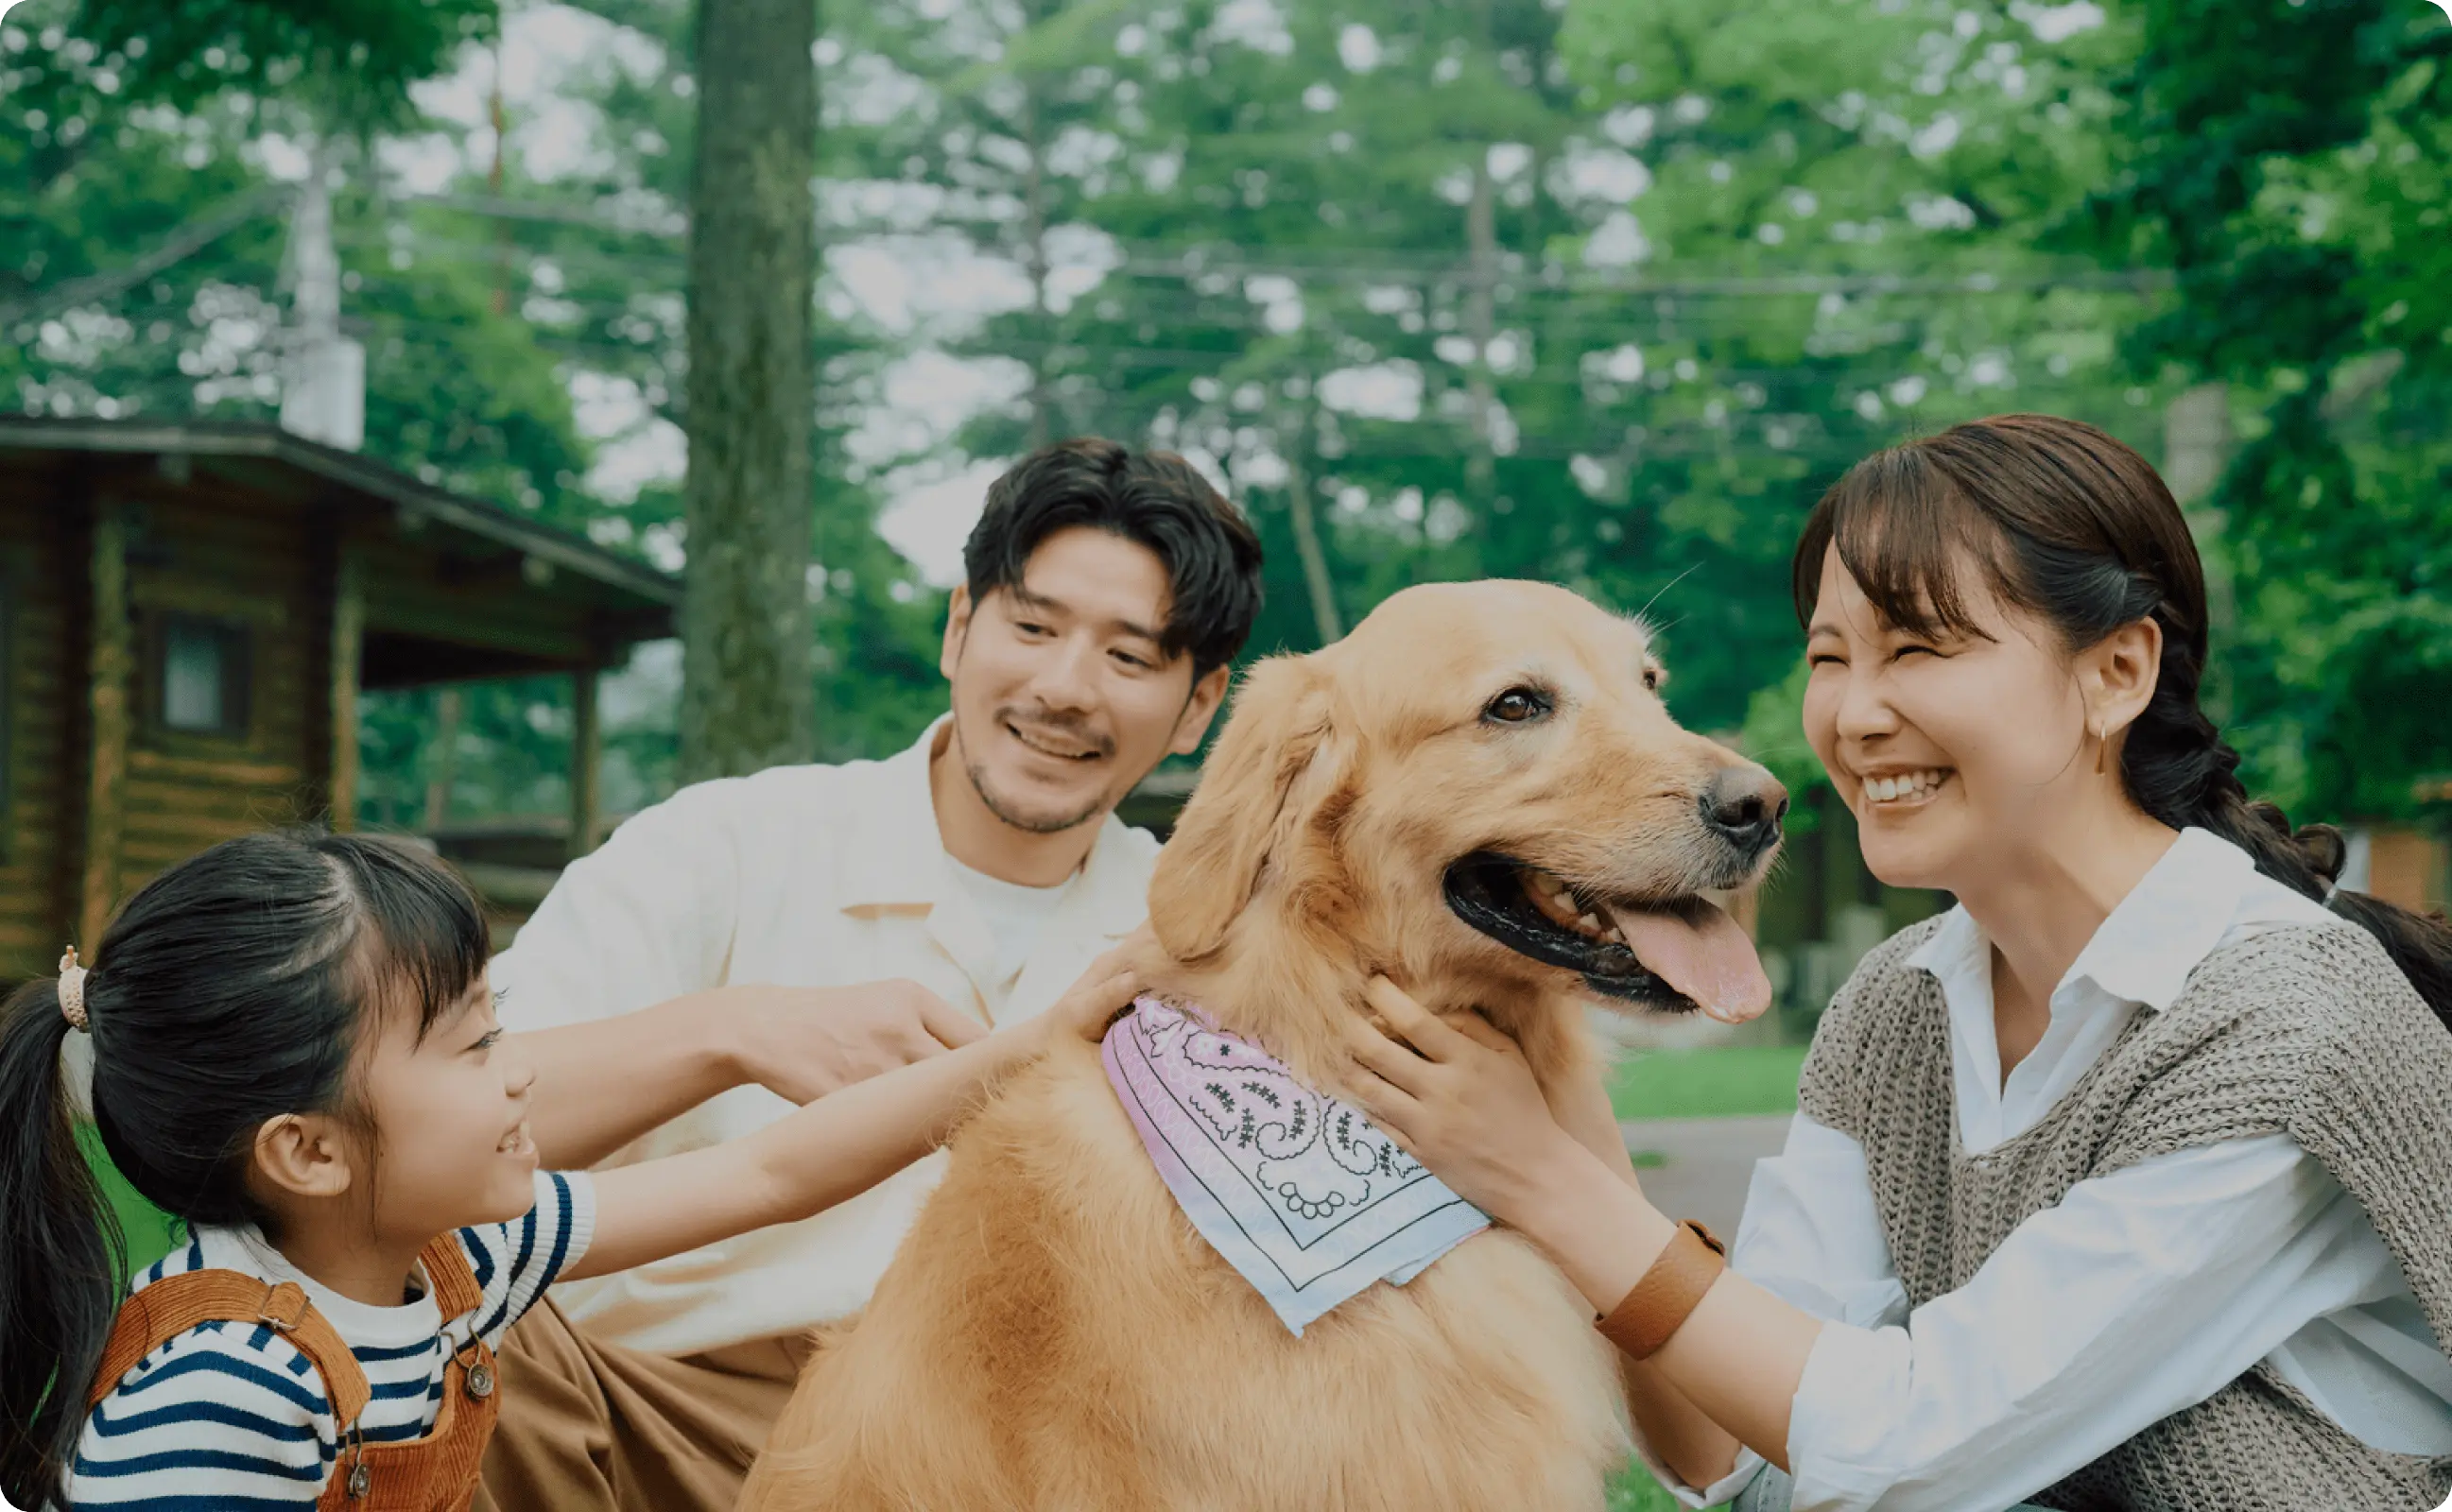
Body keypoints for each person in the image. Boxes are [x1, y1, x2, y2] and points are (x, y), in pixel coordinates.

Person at [1341, 414, 2452, 1511]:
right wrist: (1559, 1113)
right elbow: (1739, 1453)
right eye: (1831, 657)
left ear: (2116, 671)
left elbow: (1909, 1452)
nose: (1854, 715)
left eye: (1919, 648)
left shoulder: (2285, 1031)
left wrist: (1537, 1174)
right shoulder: (1900, 1004)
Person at [476, 438, 1265, 1509]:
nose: (1062, 688)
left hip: (1008, 1459)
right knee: (425, 1324)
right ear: (958, 627)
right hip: (654, 1412)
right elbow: (456, 1128)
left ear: (1196, 708)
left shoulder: (1208, 943)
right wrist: (730, 1031)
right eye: (1030, 627)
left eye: (1129, 659)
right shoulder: (727, 844)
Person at [0, 831, 1139, 1512]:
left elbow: (764, 1174)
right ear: (308, 1150)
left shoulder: (452, 1261)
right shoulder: (230, 1386)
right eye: (471, 1045)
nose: (519, 1077)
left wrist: (1032, 1042)